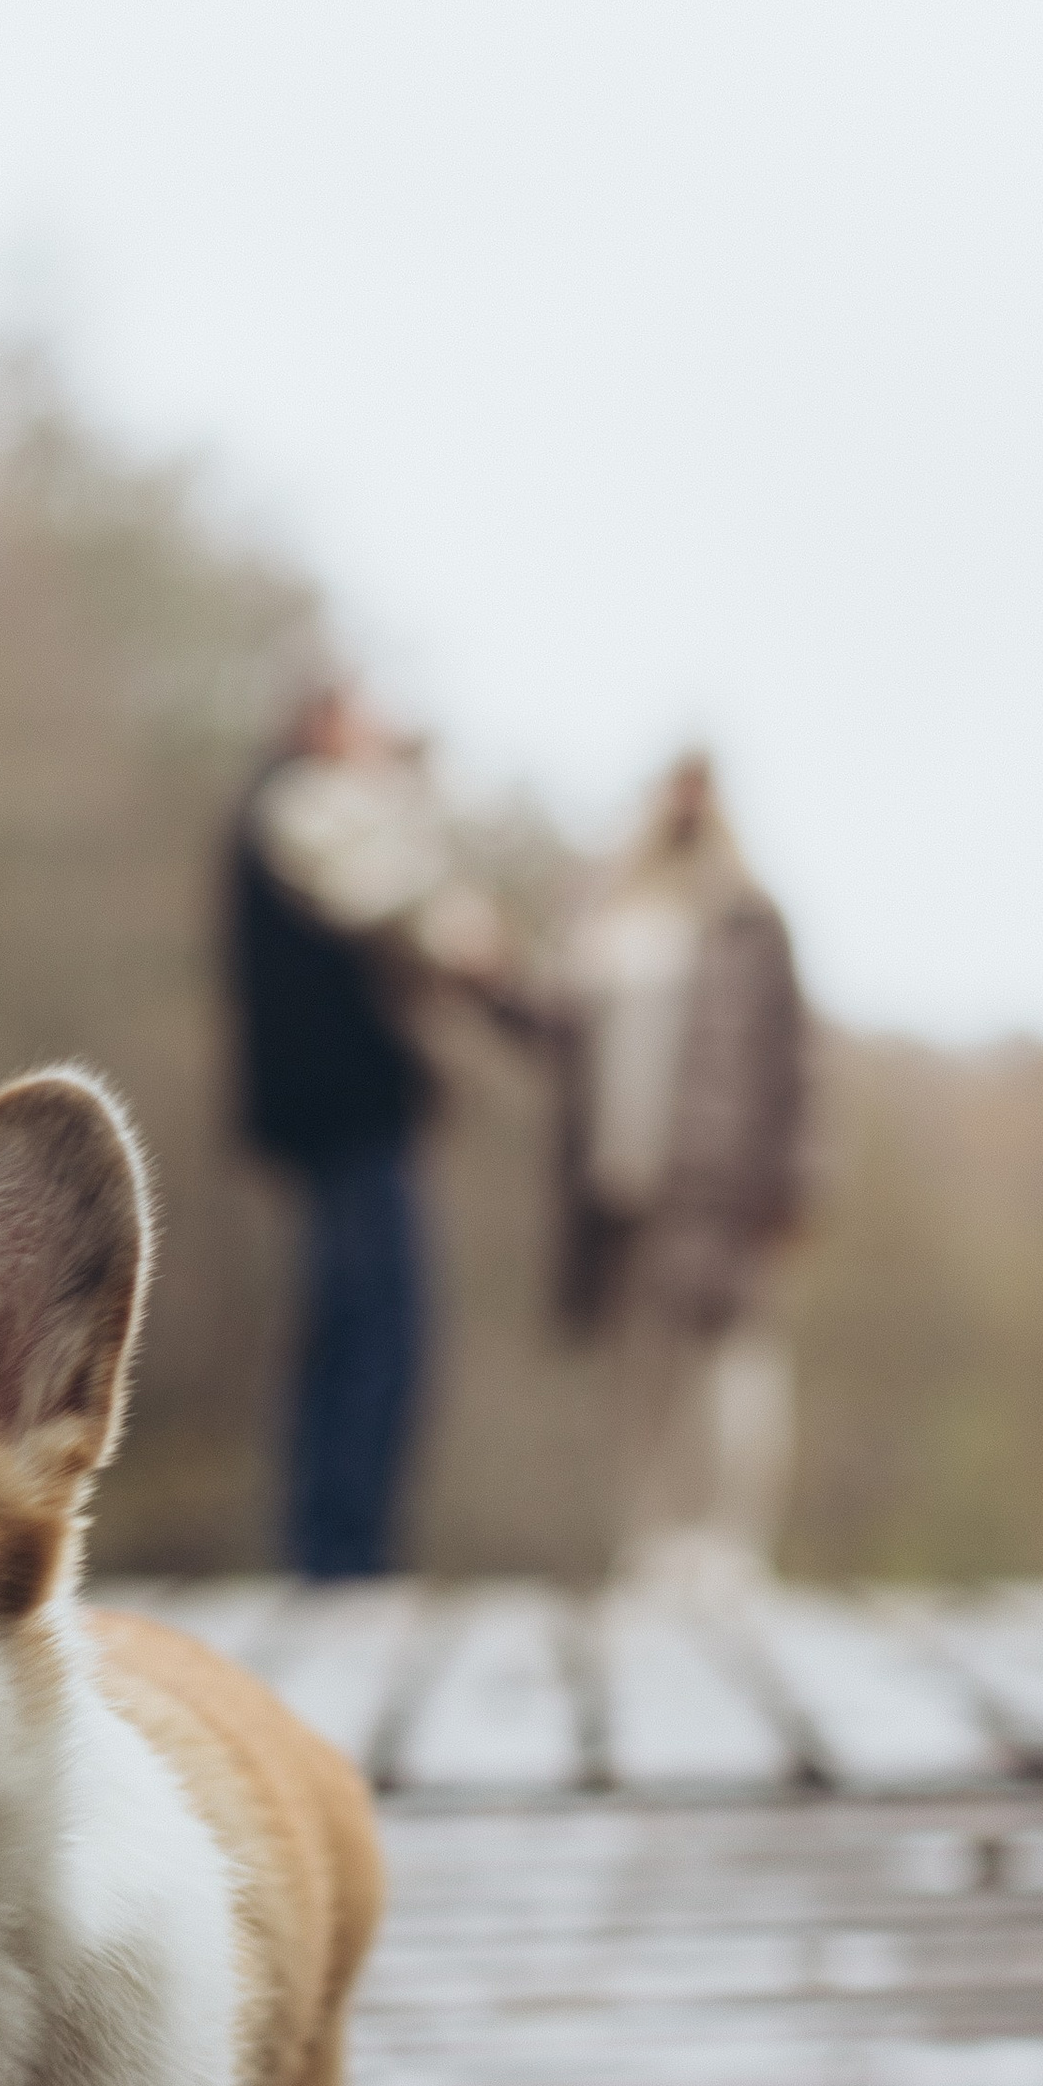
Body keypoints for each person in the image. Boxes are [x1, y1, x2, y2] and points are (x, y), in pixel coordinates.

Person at [228, 681, 495, 1581]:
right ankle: (345, 1549)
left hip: (343, 1112)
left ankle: (343, 1542)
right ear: (324, 726)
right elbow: (385, 899)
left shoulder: (300, 810)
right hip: (347, 1112)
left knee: (359, 1323)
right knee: (375, 1326)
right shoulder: (307, 809)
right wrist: (412, 796)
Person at [554, 750, 810, 1595]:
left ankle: (733, 1541)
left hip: (719, 1186)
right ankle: (648, 1542)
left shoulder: (749, 916)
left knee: (731, 1363)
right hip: (621, 1188)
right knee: (640, 1371)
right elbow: (564, 1032)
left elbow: (794, 1058)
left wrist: (793, 1181)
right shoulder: (612, 917)